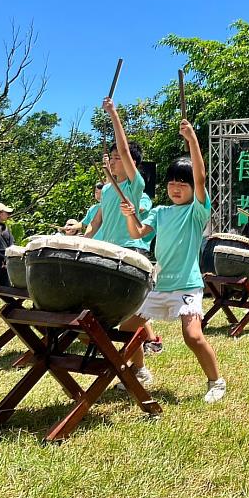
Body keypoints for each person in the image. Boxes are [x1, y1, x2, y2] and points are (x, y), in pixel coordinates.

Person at [120, 119, 226, 402]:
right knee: (129, 327)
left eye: (183, 183)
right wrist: (130, 214)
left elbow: (202, 178)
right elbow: (138, 233)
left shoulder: (196, 212)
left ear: (192, 188)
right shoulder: (160, 212)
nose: (176, 187)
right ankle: (140, 370)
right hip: (159, 284)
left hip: (187, 286)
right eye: (171, 182)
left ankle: (216, 382)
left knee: (192, 335)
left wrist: (192, 140)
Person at [88, 97, 161, 353]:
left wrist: (113, 115)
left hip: (129, 252)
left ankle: (144, 349)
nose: (115, 160)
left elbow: (126, 150)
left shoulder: (134, 186)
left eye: (120, 158)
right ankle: (134, 362)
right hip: (107, 252)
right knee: (113, 314)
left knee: (128, 314)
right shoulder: (108, 189)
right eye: (113, 158)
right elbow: (97, 222)